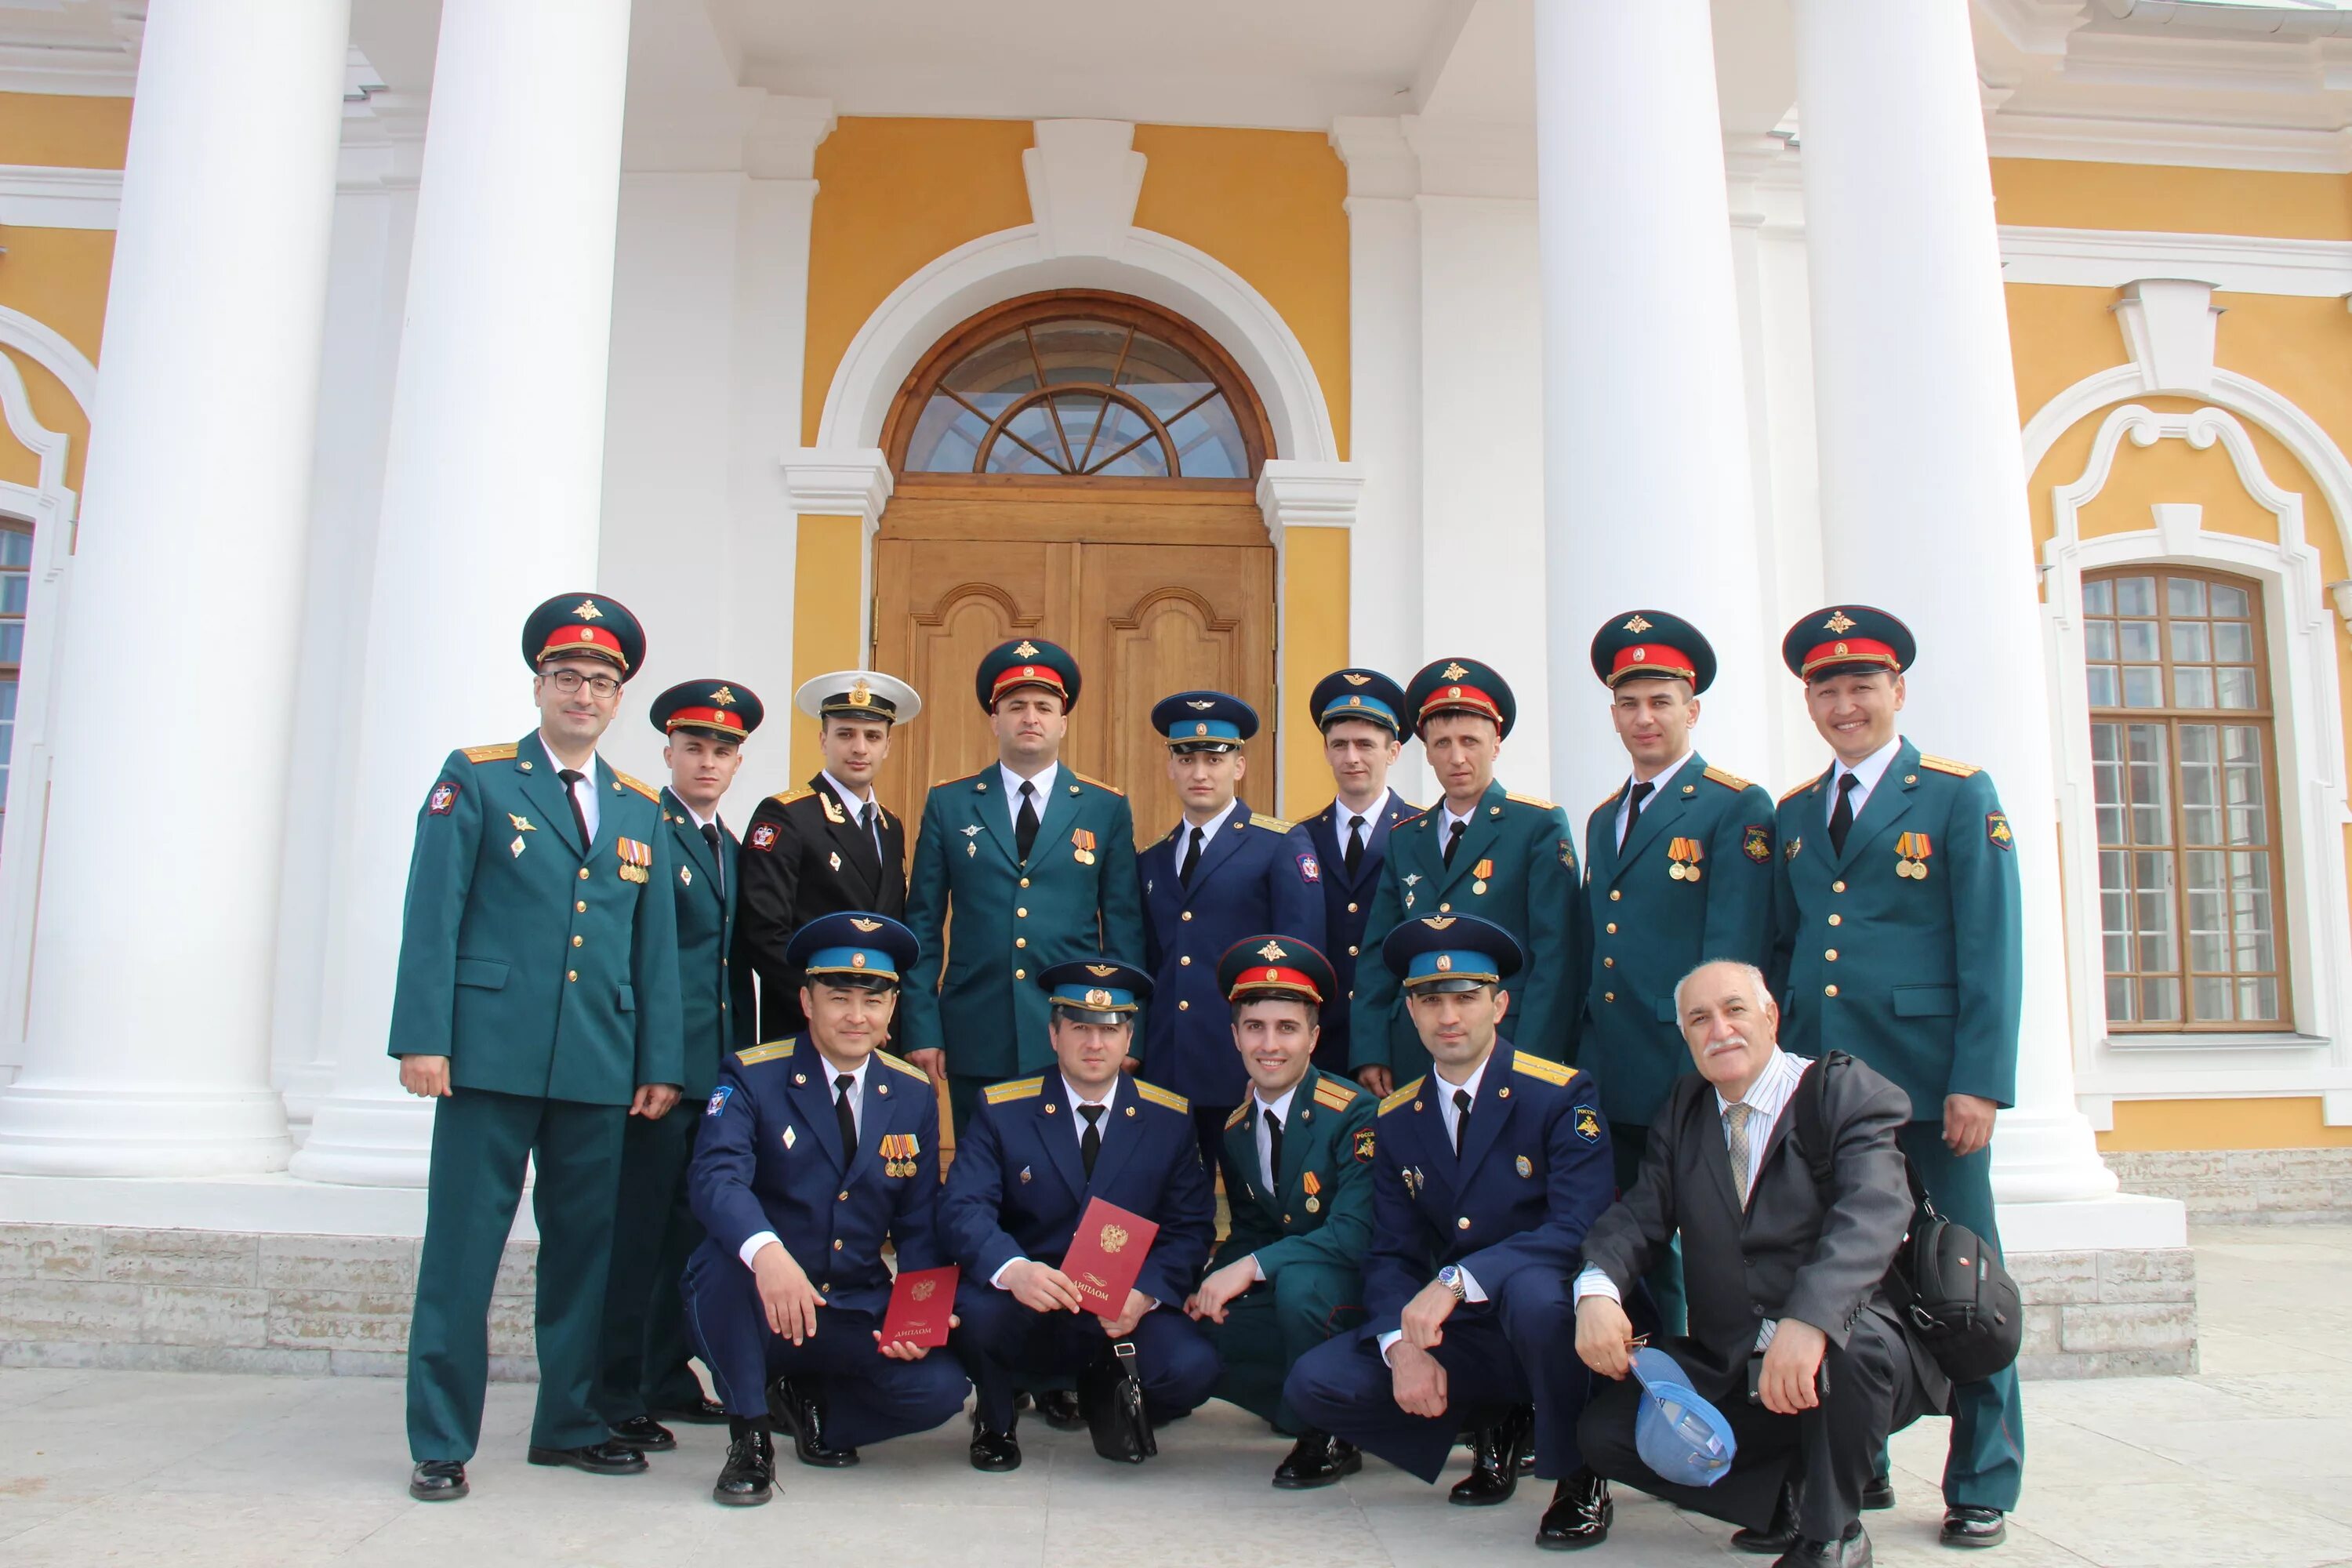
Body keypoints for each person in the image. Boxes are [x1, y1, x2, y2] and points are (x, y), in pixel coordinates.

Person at [391, 592, 684, 1503]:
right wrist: (422, 1038)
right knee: (462, 1252)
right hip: (486, 1055)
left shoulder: (639, 806)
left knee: (584, 1257)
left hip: (598, 1064)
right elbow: (431, 914)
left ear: (618, 698)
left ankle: (568, 1421)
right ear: (538, 685)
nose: (583, 693)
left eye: (601, 681)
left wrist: (659, 1060)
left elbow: (654, 947)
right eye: (567, 676)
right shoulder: (476, 778)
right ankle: (441, 1438)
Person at [1770, 605, 2024, 1550]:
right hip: (1830, 1094)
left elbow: (1992, 946)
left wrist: (1981, 1081)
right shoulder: (1795, 812)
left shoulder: (1957, 794)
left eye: (1860, 685)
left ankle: (1984, 1475)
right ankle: (1861, 1455)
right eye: (1826, 689)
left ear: (1897, 692)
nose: (1844, 703)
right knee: (1841, 1277)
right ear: (1809, 700)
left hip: (1929, 1088)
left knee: (1964, 1278)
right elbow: (1790, 954)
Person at [1574, 960, 1949, 1568]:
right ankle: (1784, 1500)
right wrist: (1596, 1290)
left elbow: (1874, 1213)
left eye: (1735, 1009)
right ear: (1686, 1037)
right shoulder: (1686, 1109)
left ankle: (1833, 1534)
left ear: (1771, 1016)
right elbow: (1640, 1216)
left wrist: (1810, 1320)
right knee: (1607, 1434)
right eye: (1699, 1018)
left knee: (1844, 1352)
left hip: (1852, 1354)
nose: (1719, 1028)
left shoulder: (1839, 1093)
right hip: (1738, 1364)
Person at [1286, 915, 1617, 1551]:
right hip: (1473, 1330)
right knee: (1316, 1383)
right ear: (1410, 1011)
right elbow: (1390, 1251)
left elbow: (1580, 1225)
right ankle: (1493, 1417)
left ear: (1500, 1003)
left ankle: (1579, 1472)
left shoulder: (1558, 1095)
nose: (1448, 1017)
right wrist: (1400, 1348)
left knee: (1531, 1296)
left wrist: (1458, 1279)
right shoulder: (1396, 1117)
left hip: (1556, 1317)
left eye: (1465, 998)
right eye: (1430, 1001)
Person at [679, 912, 969, 1505]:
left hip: (847, 1305)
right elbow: (716, 1179)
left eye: (873, 1001)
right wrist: (768, 1256)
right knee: (719, 1268)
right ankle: (751, 1438)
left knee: (940, 1388)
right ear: (807, 1001)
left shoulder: (912, 1092)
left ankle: (818, 1412)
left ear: (892, 1010)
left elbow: (919, 1220)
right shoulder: (752, 1076)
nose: (856, 1017)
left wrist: (920, 1314)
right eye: (839, 998)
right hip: (761, 1303)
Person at [1575, 612, 1777, 1336]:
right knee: (1636, 1237)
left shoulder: (1734, 806)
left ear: (1692, 710)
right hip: (1613, 1064)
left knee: (1712, 1242)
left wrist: (1721, 1064)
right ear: (1613, 714)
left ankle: (1722, 1395)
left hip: (1686, 1063)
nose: (1644, 717)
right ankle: (1652, 1389)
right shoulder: (1604, 818)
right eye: (1629, 703)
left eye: (1661, 701)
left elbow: (1733, 954)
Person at [940, 960, 1218, 1472]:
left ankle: (1099, 1389)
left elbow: (1190, 1228)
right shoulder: (1003, 1108)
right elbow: (963, 1208)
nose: (1095, 1044)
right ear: (1053, 1034)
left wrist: (1147, 1293)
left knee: (1191, 1369)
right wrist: (1014, 1270)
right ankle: (997, 1415)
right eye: (1080, 1029)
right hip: (1030, 1298)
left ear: (1129, 1037)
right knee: (975, 1316)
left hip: (1119, 1305)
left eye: (1110, 1030)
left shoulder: (1169, 1119)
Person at [596, 679, 764, 1453]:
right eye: (694, 745)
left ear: (737, 761)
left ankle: (667, 1372)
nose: (708, 760)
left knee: (687, 1235)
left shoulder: (727, 847)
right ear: (667, 750)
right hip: (658, 1076)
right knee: (635, 1235)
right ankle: (616, 1387)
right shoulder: (645, 830)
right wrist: (655, 1062)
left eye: (722, 749)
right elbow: (638, 960)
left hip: (712, 1076)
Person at [900, 640, 1145, 1131]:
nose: (1030, 717)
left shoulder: (1103, 808)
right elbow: (922, 923)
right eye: (1015, 706)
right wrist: (922, 1025)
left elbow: (1123, 927)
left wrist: (1125, 1031)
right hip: (975, 1024)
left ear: (1063, 721)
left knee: (1064, 1176)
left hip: (1076, 1026)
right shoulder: (950, 805)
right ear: (995, 720)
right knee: (978, 1173)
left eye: (1043, 707)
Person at [1185, 935, 1374, 1489]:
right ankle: (1298, 1402)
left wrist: (1249, 1268)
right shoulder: (1236, 1128)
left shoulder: (1355, 1113)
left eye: (1287, 1028)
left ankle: (1333, 1432)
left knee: (1296, 1287)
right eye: (1255, 1027)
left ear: (1314, 1038)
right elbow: (1253, 1228)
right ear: (1235, 1035)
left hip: (1349, 1290)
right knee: (1203, 1324)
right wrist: (1213, 1280)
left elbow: (1355, 1234)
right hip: (1296, 1286)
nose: (1270, 1044)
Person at [1350, 658, 1581, 1091]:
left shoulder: (1536, 827)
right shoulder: (1406, 838)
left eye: (1470, 741)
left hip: (1505, 1042)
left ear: (1495, 744)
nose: (1456, 758)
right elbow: (1379, 950)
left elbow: (1557, 958)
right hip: (1415, 1046)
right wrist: (1371, 1048)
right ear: (1427, 750)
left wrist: (1535, 1060)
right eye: (1442, 744)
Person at [1137, 689, 1326, 1160]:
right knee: (1168, 1205)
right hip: (1167, 1067)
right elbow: (1151, 965)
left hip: (1242, 1064)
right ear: (1170, 766)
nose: (1200, 773)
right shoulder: (1152, 859)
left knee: (1254, 1209)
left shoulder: (1279, 844)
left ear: (1238, 766)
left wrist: (1274, 1061)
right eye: (1187, 759)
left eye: (1214, 759)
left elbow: (1299, 964)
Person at [735, 670, 919, 1039]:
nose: (859, 748)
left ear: (888, 746)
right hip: (804, 1027)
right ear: (823, 739)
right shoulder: (786, 815)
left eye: (872, 736)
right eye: (845, 734)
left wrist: (877, 1011)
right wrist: (824, 1007)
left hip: (875, 1030)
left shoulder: (891, 827)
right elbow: (764, 933)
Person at [1301, 668, 1418, 1078]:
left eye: (1366, 745)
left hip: (1401, 1039)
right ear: (1327, 751)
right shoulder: (1298, 839)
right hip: (1318, 1047)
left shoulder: (1422, 834)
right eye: (1340, 745)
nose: (1351, 758)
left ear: (1394, 752)